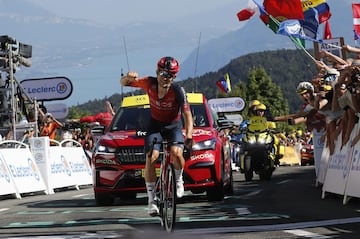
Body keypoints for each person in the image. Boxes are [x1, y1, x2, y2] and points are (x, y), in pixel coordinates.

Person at [120, 56, 194, 216]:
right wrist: (128, 77)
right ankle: (151, 200)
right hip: (155, 125)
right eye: (163, 74)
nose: (166, 78)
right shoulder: (149, 83)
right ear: (157, 72)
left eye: (171, 75)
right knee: (151, 157)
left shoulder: (178, 91)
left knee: (176, 153)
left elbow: (187, 115)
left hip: (173, 126)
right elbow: (124, 84)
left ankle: (179, 179)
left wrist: (189, 135)